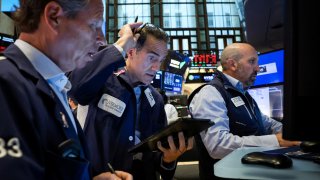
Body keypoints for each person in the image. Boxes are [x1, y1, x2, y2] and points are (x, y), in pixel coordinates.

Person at [0, 0, 139, 179]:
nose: (101, 39)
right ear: (54, 16)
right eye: (93, 25)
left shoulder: (53, 85)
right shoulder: (7, 85)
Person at [70, 23, 194, 180]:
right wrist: (122, 43)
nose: (156, 67)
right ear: (131, 51)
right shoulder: (103, 81)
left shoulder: (155, 99)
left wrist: (168, 159)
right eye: (152, 58)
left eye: (160, 60)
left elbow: (160, 163)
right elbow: (76, 88)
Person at [188, 43, 300, 180]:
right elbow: (218, 146)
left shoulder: (243, 94)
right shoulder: (210, 93)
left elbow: (265, 122)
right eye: (252, 62)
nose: (258, 68)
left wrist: (294, 133)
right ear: (233, 64)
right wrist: (276, 141)